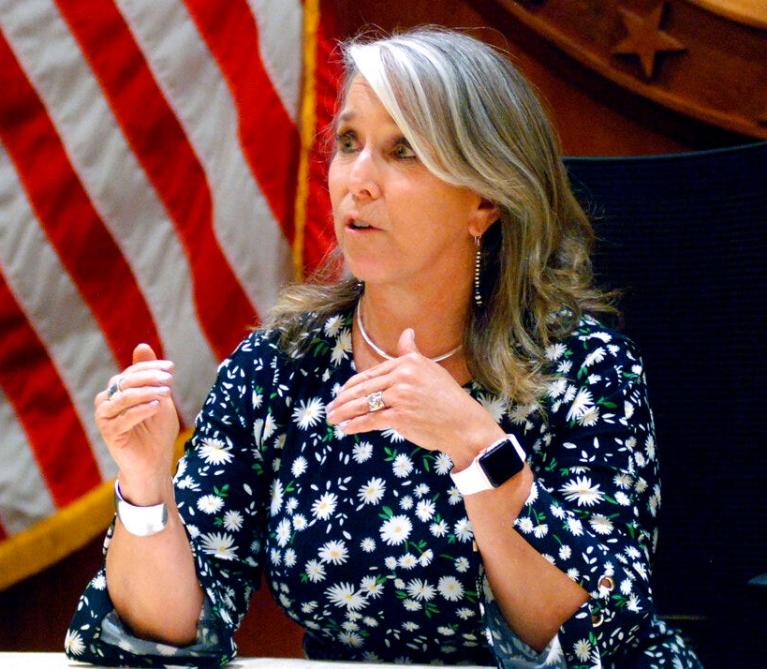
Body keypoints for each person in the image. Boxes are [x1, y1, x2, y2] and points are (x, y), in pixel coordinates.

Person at [64, 27, 701, 668]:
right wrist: (145, 489)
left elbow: (588, 640)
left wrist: (477, 450)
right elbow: (163, 638)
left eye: (403, 151)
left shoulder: (585, 371)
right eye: (349, 143)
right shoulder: (281, 366)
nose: (357, 182)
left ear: (484, 199)